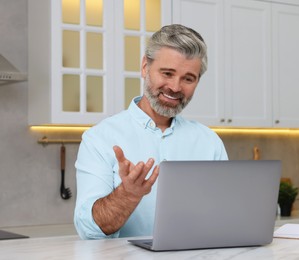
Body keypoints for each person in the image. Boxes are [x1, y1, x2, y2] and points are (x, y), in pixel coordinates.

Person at [74, 24, 229, 239]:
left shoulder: (209, 142)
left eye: (188, 78)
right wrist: (127, 195)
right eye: (167, 73)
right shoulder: (100, 138)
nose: (175, 87)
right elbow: (89, 231)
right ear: (145, 67)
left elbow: (224, 218)